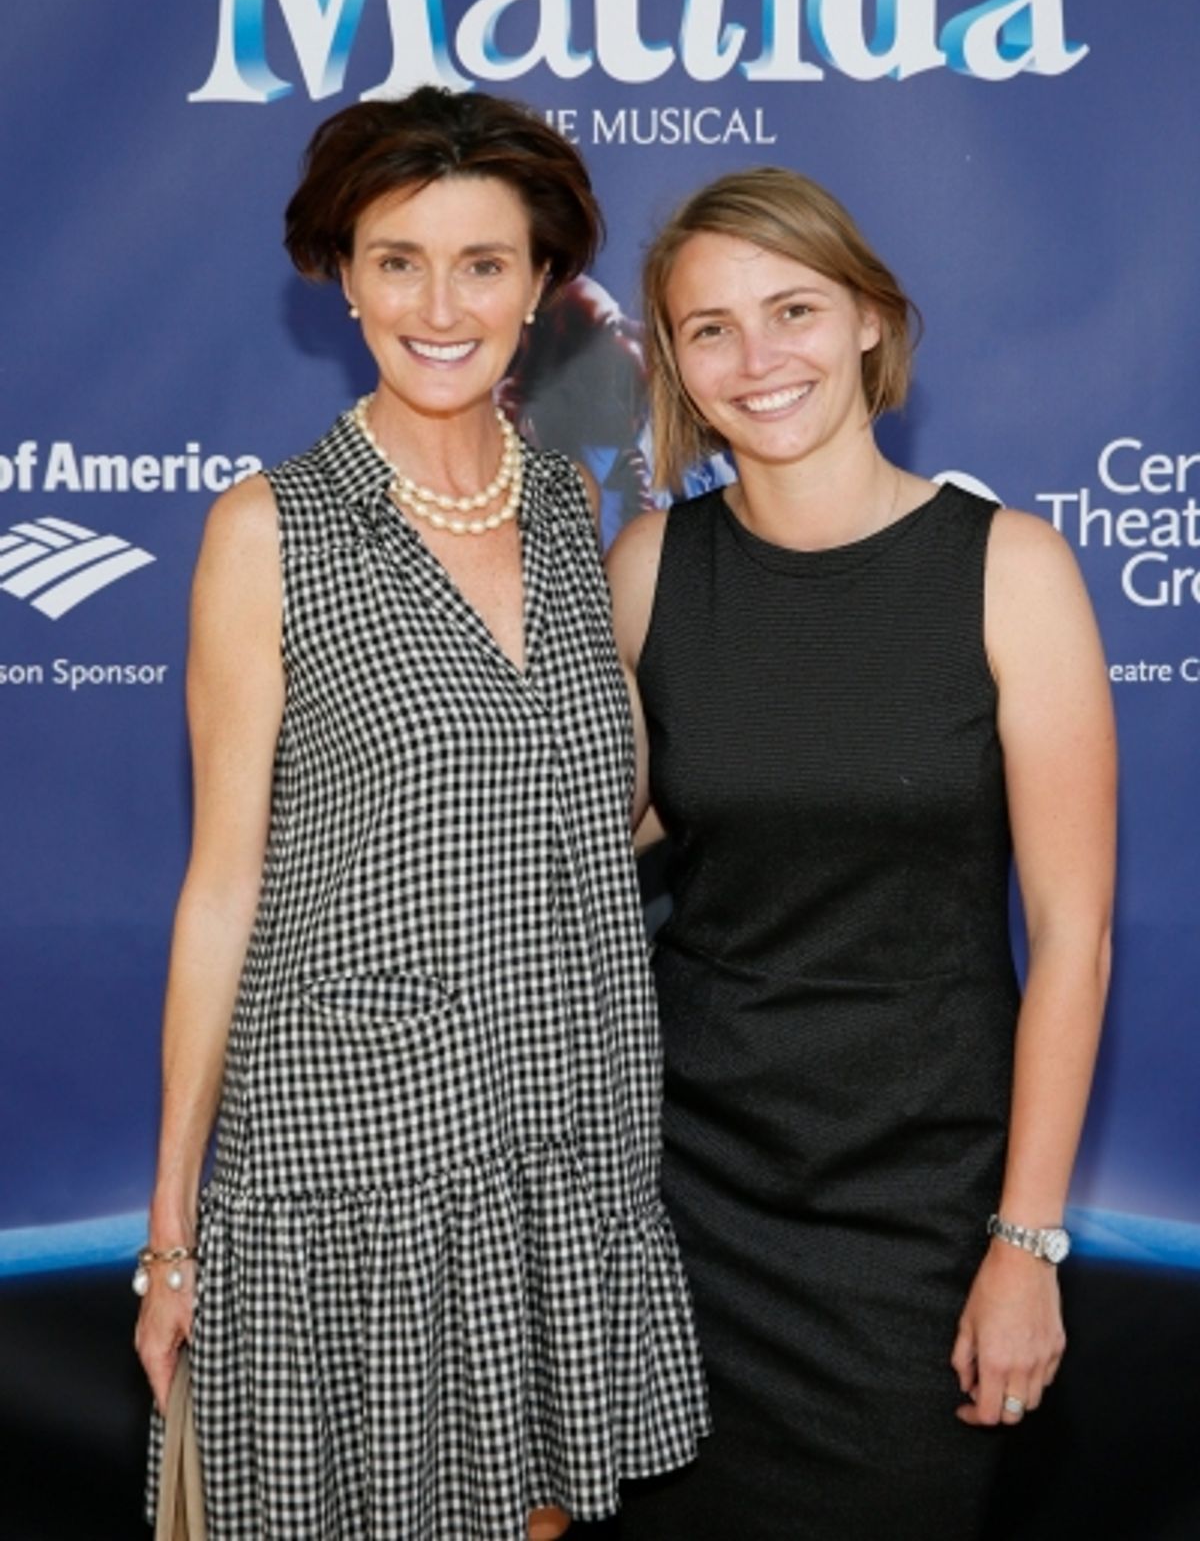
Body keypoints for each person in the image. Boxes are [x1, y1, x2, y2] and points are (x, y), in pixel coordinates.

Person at [134, 88, 707, 1541]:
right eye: (398, 260)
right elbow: (220, 888)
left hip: (567, 1134)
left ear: (539, 288)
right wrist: (171, 1233)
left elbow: (605, 811)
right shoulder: (269, 529)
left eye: (482, 263)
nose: (439, 305)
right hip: (353, 1166)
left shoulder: (576, 513)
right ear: (341, 274)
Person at [606, 166, 1115, 1539]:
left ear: (874, 322)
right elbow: (591, 847)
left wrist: (1025, 1245)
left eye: (793, 309)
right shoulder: (651, 568)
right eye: (710, 328)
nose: (757, 358)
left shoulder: (1011, 569)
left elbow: (1072, 935)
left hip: (920, 1217)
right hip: (685, 1209)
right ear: (674, 365)